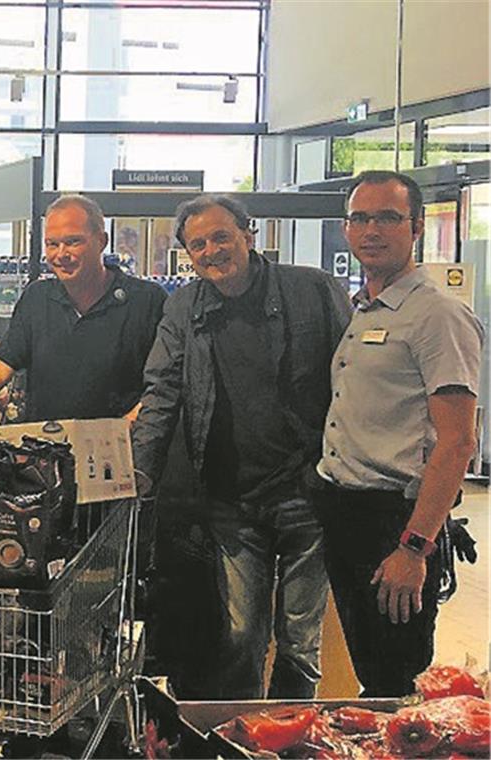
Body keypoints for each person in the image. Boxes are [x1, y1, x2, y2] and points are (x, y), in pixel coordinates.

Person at [132, 194, 351, 699]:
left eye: (221, 237)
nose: (211, 250)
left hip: (307, 491)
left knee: (299, 639)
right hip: (231, 500)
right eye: (198, 244)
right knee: (239, 635)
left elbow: (353, 384)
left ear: (249, 236)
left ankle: (293, 741)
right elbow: (161, 392)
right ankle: (242, 740)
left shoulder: (312, 290)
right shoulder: (185, 308)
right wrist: (140, 480)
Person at [311, 170, 483, 697]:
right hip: (346, 512)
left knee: (397, 682)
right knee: (371, 673)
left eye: (388, 217)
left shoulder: (437, 316)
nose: (372, 230)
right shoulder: (365, 310)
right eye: (360, 218)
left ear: (416, 227)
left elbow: (458, 441)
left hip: (395, 520)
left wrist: (414, 547)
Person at [0, 194, 166, 424]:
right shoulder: (37, 298)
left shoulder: (147, 301)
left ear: (101, 241)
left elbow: (164, 384)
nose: (61, 254)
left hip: (119, 453)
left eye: (73, 242)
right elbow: (0, 364)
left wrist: (131, 424)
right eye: (52, 244)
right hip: (47, 451)